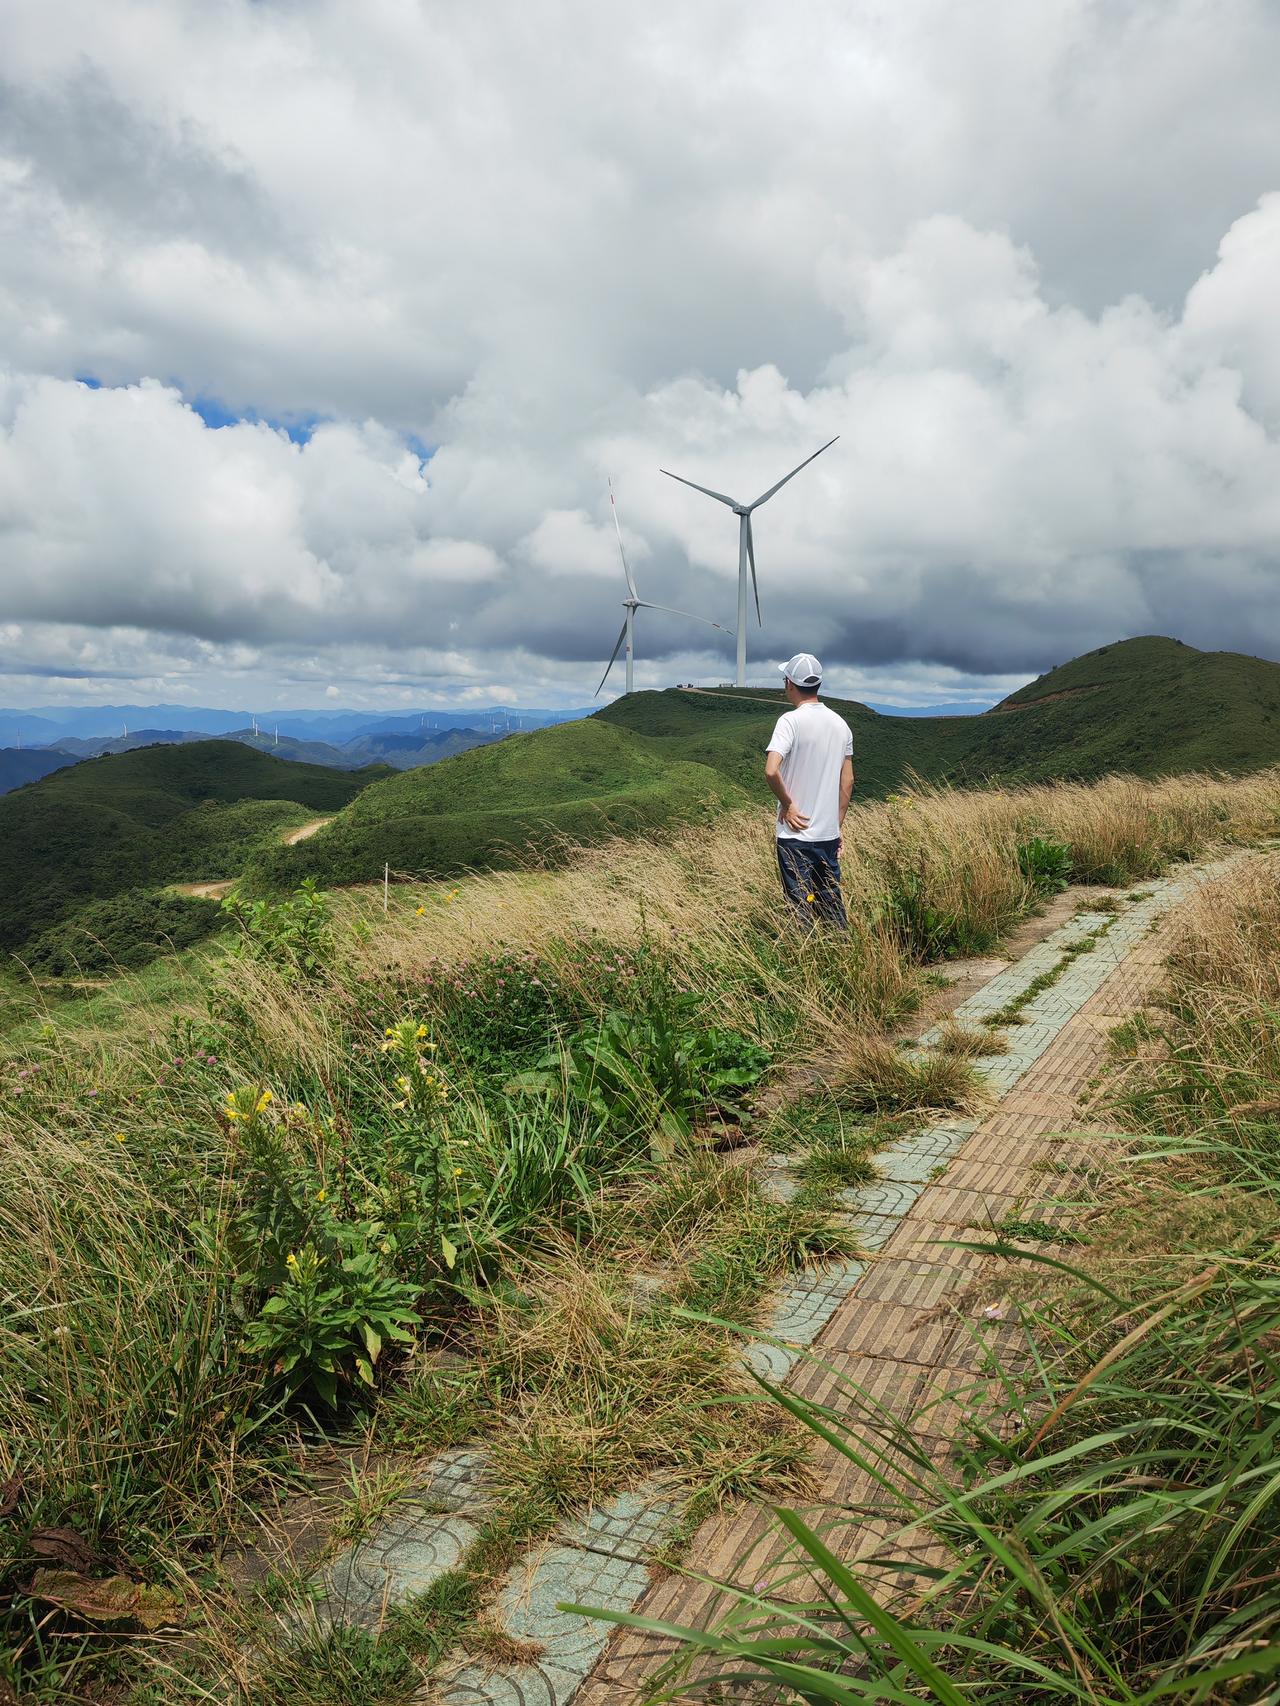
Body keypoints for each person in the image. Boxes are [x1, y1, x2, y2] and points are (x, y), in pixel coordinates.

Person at [764, 652, 854, 927]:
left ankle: (807, 961)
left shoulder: (789, 721)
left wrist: (788, 804)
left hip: (795, 835)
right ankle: (842, 955)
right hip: (827, 836)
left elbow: (771, 769)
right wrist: (836, 827)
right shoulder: (841, 725)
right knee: (829, 902)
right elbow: (848, 781)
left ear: (789, 683)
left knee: (799, 906)